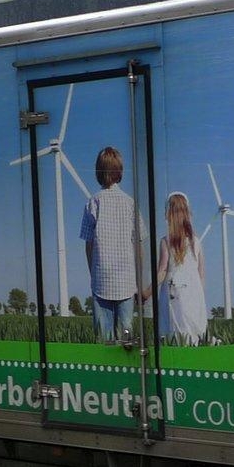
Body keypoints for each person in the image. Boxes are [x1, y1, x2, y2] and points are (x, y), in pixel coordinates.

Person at [80, 147, 143, 344]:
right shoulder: (130, 203)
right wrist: (138, 279)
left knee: (103, 340)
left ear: (98, 171)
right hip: (126, 280)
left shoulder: (93, 202)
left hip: (101, 280)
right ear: (120, 171)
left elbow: (89, 245)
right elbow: (139, 245)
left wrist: (93, 274)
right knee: (126, 339)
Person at [157, 192, 209, 346]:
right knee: (193, 337)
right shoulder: (196, 242)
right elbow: (201, 274)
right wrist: (199, 297)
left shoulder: (166, 241)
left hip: (173, 293)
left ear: (168, 214)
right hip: (193, 294)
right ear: (187, 213)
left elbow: (162, 271)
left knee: (173, 335)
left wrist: (147, 292)